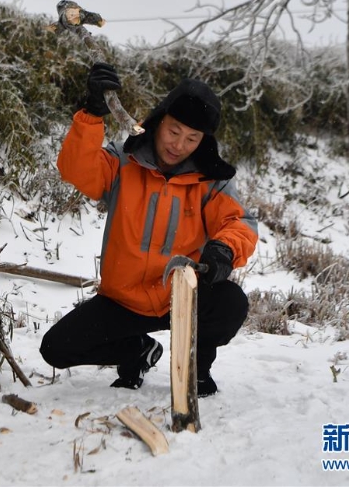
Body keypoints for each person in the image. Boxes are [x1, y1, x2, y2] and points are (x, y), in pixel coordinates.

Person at [40, 63, 258, 396]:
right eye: (174, 131)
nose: (179, 144)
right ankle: (137, 351)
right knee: (55, 349)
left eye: (191, 138)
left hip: (181, 297)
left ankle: (196, 368)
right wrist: (92, 114)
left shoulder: (212, 180)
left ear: (203, 141)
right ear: (159, 121)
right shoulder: (123, 162)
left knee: (230, 302)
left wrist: (223, 250)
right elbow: (76, 170)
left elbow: (239, 222)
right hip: (122, 300)